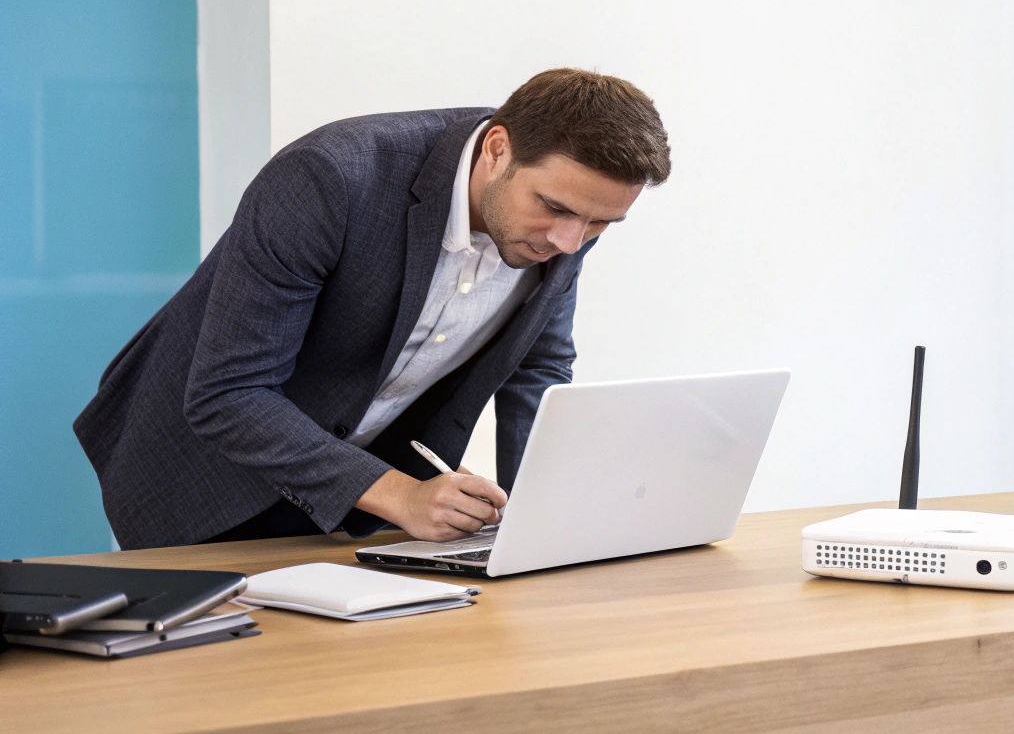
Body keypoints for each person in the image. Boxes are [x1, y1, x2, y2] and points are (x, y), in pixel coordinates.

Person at [73, 68, 671, 549]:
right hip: (198, 476)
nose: (571, 242)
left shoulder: (563, 222)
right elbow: (230, 393)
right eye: (557, 209)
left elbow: (537, 373)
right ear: (497, 149)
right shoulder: (331, 177)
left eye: (600, 223)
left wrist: (544, 527)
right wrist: (401, 495)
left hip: (363, 499)